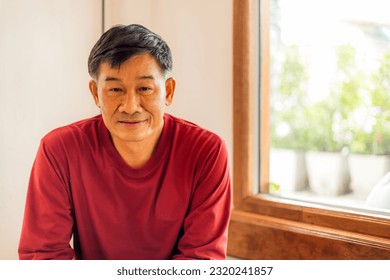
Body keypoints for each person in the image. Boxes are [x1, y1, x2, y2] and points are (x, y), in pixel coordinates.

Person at [18, 24, 231, 260]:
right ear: (95, 93)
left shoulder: (206, 152)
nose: (130, 106)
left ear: (168, 92)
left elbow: (201, 260)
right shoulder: (59, 150)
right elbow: (42, 257)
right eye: (115, 89)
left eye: (145, 88)